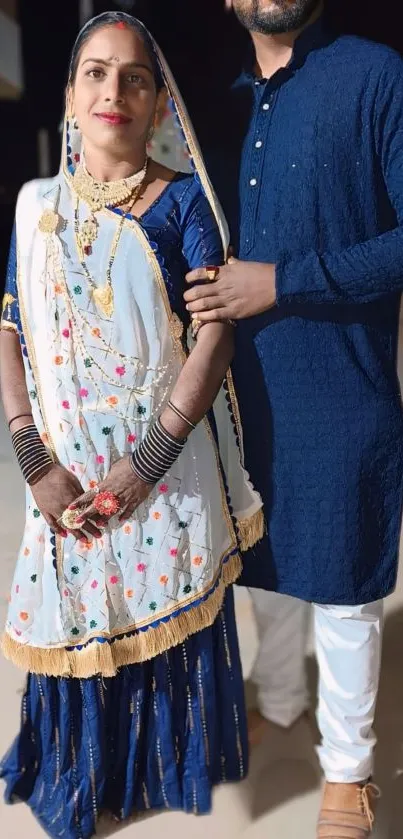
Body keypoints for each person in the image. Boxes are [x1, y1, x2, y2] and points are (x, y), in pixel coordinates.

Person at [0, 12, 264, 838]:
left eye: (134, 78)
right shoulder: (35, 206)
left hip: (165, 475)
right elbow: (8, 328)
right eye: (94, 73)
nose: (113, 89)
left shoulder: (182, 201)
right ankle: (84, 776)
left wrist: (151, 459)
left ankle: (157, 768)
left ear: (158, 105)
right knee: (79, 616)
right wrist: (33, 457)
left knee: (160, 616)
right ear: (71, 98)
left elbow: (214, 331)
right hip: (67, 481)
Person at [185, 1, 403, 835]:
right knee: (263, 563)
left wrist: (280, 282)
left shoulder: (375, 75)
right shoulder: (220, 98)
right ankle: (278, 698)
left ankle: (348, 771)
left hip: (342, 390)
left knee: (343, 579)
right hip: (240, 392)